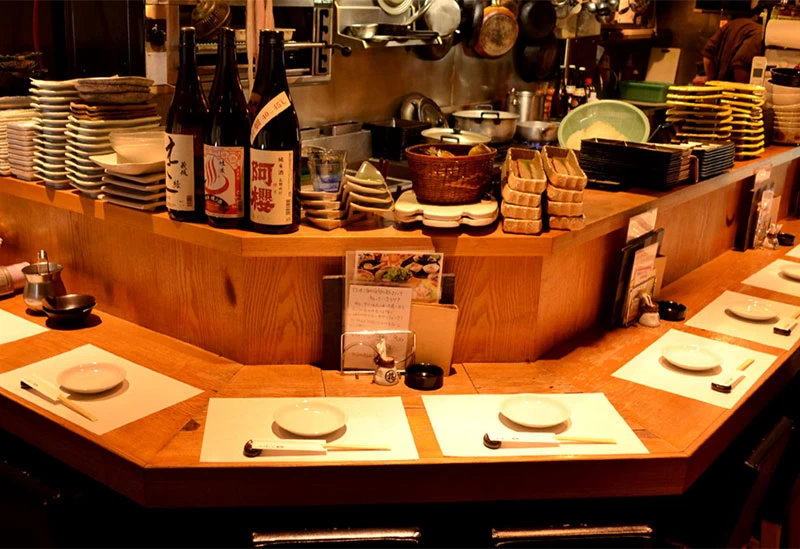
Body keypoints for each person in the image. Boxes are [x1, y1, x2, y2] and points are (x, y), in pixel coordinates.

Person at [693, 8, 764, 84]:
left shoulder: (735, 23)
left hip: (721, 82)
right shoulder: (760, 33)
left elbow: (708, 53)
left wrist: (709, 78)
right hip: (732, 85)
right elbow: (740, 65)